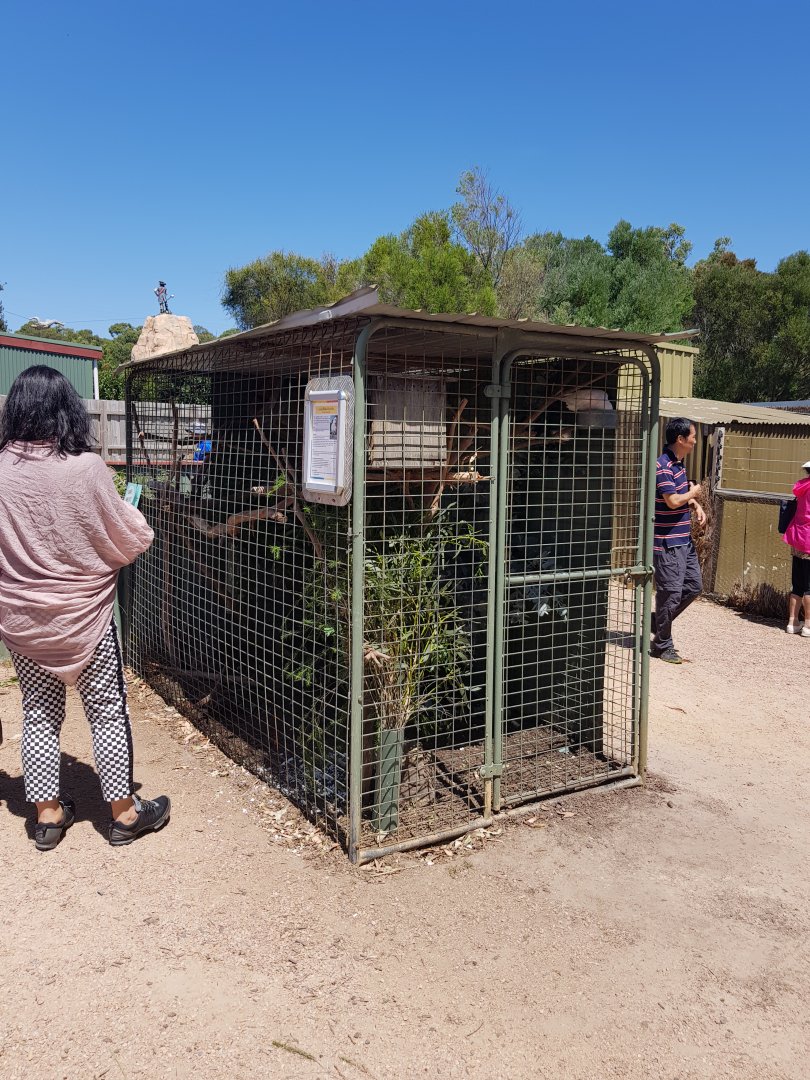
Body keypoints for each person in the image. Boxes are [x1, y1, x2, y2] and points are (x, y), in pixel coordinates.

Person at [0, 366, 170, 850]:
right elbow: (129, 534)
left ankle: (48, 817)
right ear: (66, 408)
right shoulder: (87, 468)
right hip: (86, 621)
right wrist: (130, 511)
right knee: (107, 713)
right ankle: (125, 815)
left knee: (37, 713)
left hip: (23, 621)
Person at [650, 418, 707, 664]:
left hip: (683, 539)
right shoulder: (662, 465)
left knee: (693, 586)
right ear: (681, 439)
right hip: (667, 542)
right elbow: (672, 500)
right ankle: (662, 646)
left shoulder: (679, 465)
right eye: (693, 436)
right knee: (670, 593)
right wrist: (692, 493)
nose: (695, 440)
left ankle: (657, 621)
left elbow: (678, 496)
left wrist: (694, 503)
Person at [783, 459, 810, 637]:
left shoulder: (802, 487)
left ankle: (792, 622)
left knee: (798, 583)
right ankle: (808, 625)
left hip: (797, 537)